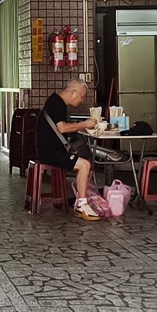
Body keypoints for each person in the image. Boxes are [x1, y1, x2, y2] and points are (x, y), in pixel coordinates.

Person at [36, 79, 100, 221]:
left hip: (53, 150)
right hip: (51, 153)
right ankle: (82, 205)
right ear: (72, 92)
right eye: (81, 96)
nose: (82, 100)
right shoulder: (57, 103)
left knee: (86, 162)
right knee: (84, 164)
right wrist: (84, 124)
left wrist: (81, 126)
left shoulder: (56, 101)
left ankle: (81, 201)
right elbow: (63, 128)